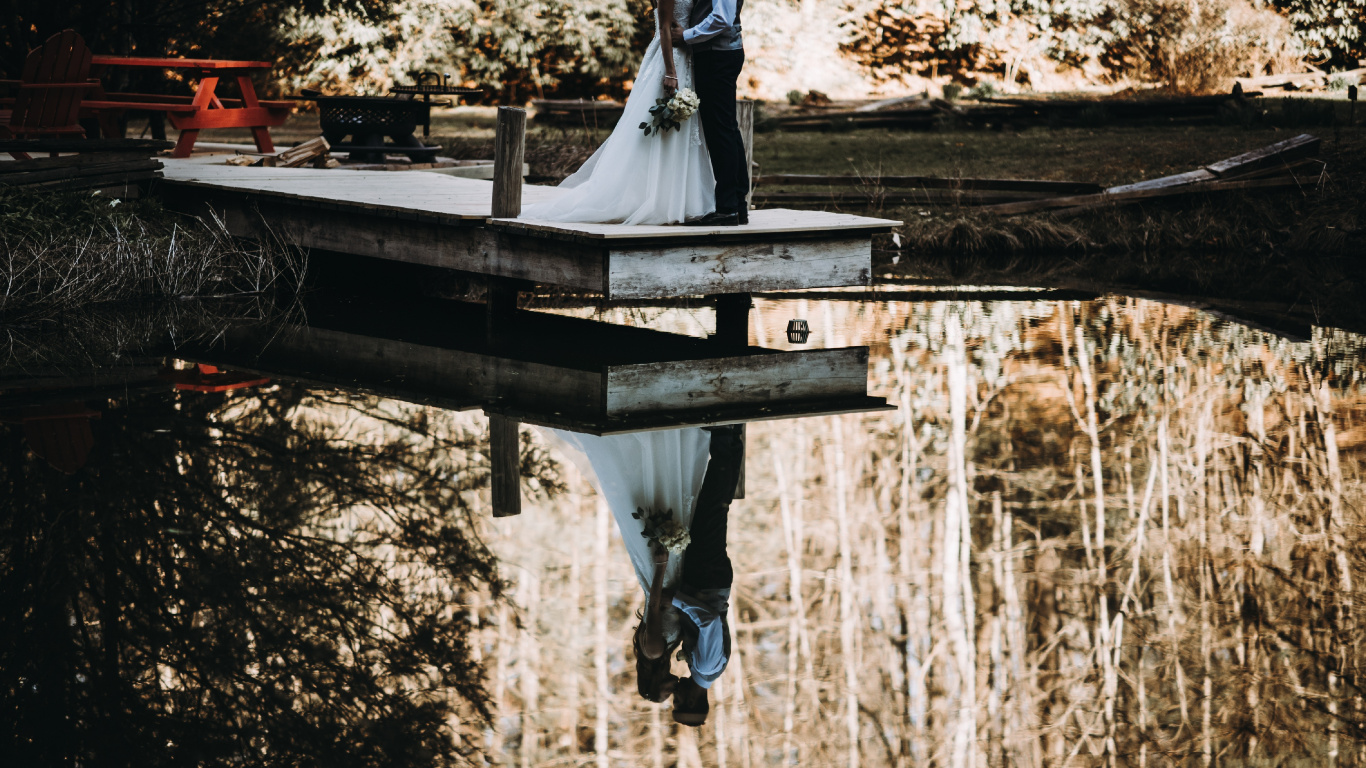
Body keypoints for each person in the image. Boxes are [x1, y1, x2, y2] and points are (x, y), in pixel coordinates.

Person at [540, 425, 743, 725]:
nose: (675, 695)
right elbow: (711, 620)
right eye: (678, 702)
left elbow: (691, 619)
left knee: (711, 510)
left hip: (704, 580)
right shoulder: (707, 666)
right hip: (709, 580)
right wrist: (679, 600)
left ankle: (726, 441)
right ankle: (728, 440)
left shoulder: (694, 666)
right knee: (713, 509)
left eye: (669, 698)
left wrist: (674, 596)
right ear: (692, 701)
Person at [518, 0, 715, 225]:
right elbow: (664, 27)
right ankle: (651, 199)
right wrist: (670, 71)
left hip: (685, 57)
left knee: (681, 130)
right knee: (657, 126)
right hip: (671, 59)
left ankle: (680, 199)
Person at [671, 0, 748, 227]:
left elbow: (722, 18)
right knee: (726, 128)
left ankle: (727, 208)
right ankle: (736, 204)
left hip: (717, 55)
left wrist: (686, 35)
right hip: (719, 53)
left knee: (720, 131)